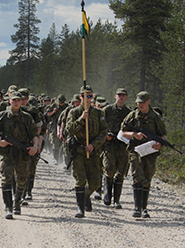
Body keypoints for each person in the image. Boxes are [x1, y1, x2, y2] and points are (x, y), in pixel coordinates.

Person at [0, 91, 41, 219]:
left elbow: (35, 134)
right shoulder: (3, 116)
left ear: (22, 101)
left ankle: (17, 202)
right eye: (14, 100)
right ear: (10, 101)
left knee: (22, 179)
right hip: (7, 153)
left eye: (19, 100)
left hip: (23, 153)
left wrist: (35, 146)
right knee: (6, 177)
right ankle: (8, 207)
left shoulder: (27, 117)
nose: (16, 102)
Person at [120, 91, 167, 218]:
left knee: (147, 177)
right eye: (138, 102)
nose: (140, 105)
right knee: (137, 176)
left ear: (148, 102)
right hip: (136, 151)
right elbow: (123, 132)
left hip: (150, 152)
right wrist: (134, 135)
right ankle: (137, 208)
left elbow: (163, 134)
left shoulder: (155, 116)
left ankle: (144, 208)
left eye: (142, 102)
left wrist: (160, 144)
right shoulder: (133, 116)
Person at [65, 85, 107, 218]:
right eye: (84, 96)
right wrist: (82, 119)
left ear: (92, 97)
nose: (87, 99)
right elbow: (69, 130)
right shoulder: (74, 112)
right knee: (80, 180)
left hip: (93, 151)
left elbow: (104, 131)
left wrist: (94, 145)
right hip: (79, 150)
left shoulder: (99, 113)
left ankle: (85, 196)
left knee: (95, 183)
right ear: (80, 97)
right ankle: (80, 208)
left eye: (89, 96)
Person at [102, 88, 131, 208]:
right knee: (109, 169)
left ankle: (117, 199)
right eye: (119, 95)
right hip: (109, 144)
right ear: (115, 96)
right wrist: (105, 135)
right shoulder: (107, 110)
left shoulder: (129, 113)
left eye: (123, 95)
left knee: (121, 171)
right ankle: (107, 194)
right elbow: (99, 125)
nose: (121, 97)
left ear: (126, 97)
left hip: (122, 145)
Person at [46, 94, 67, 165]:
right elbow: (48, 113)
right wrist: (53, 112)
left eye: (62, 102)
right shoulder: (54, 105)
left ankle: (62, 159)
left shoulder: (66, 107)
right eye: (60, 102)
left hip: (64, 126)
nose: (61, 104)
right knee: (55, 143)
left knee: (64, 144)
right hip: (54, 125)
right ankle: (56, 159)